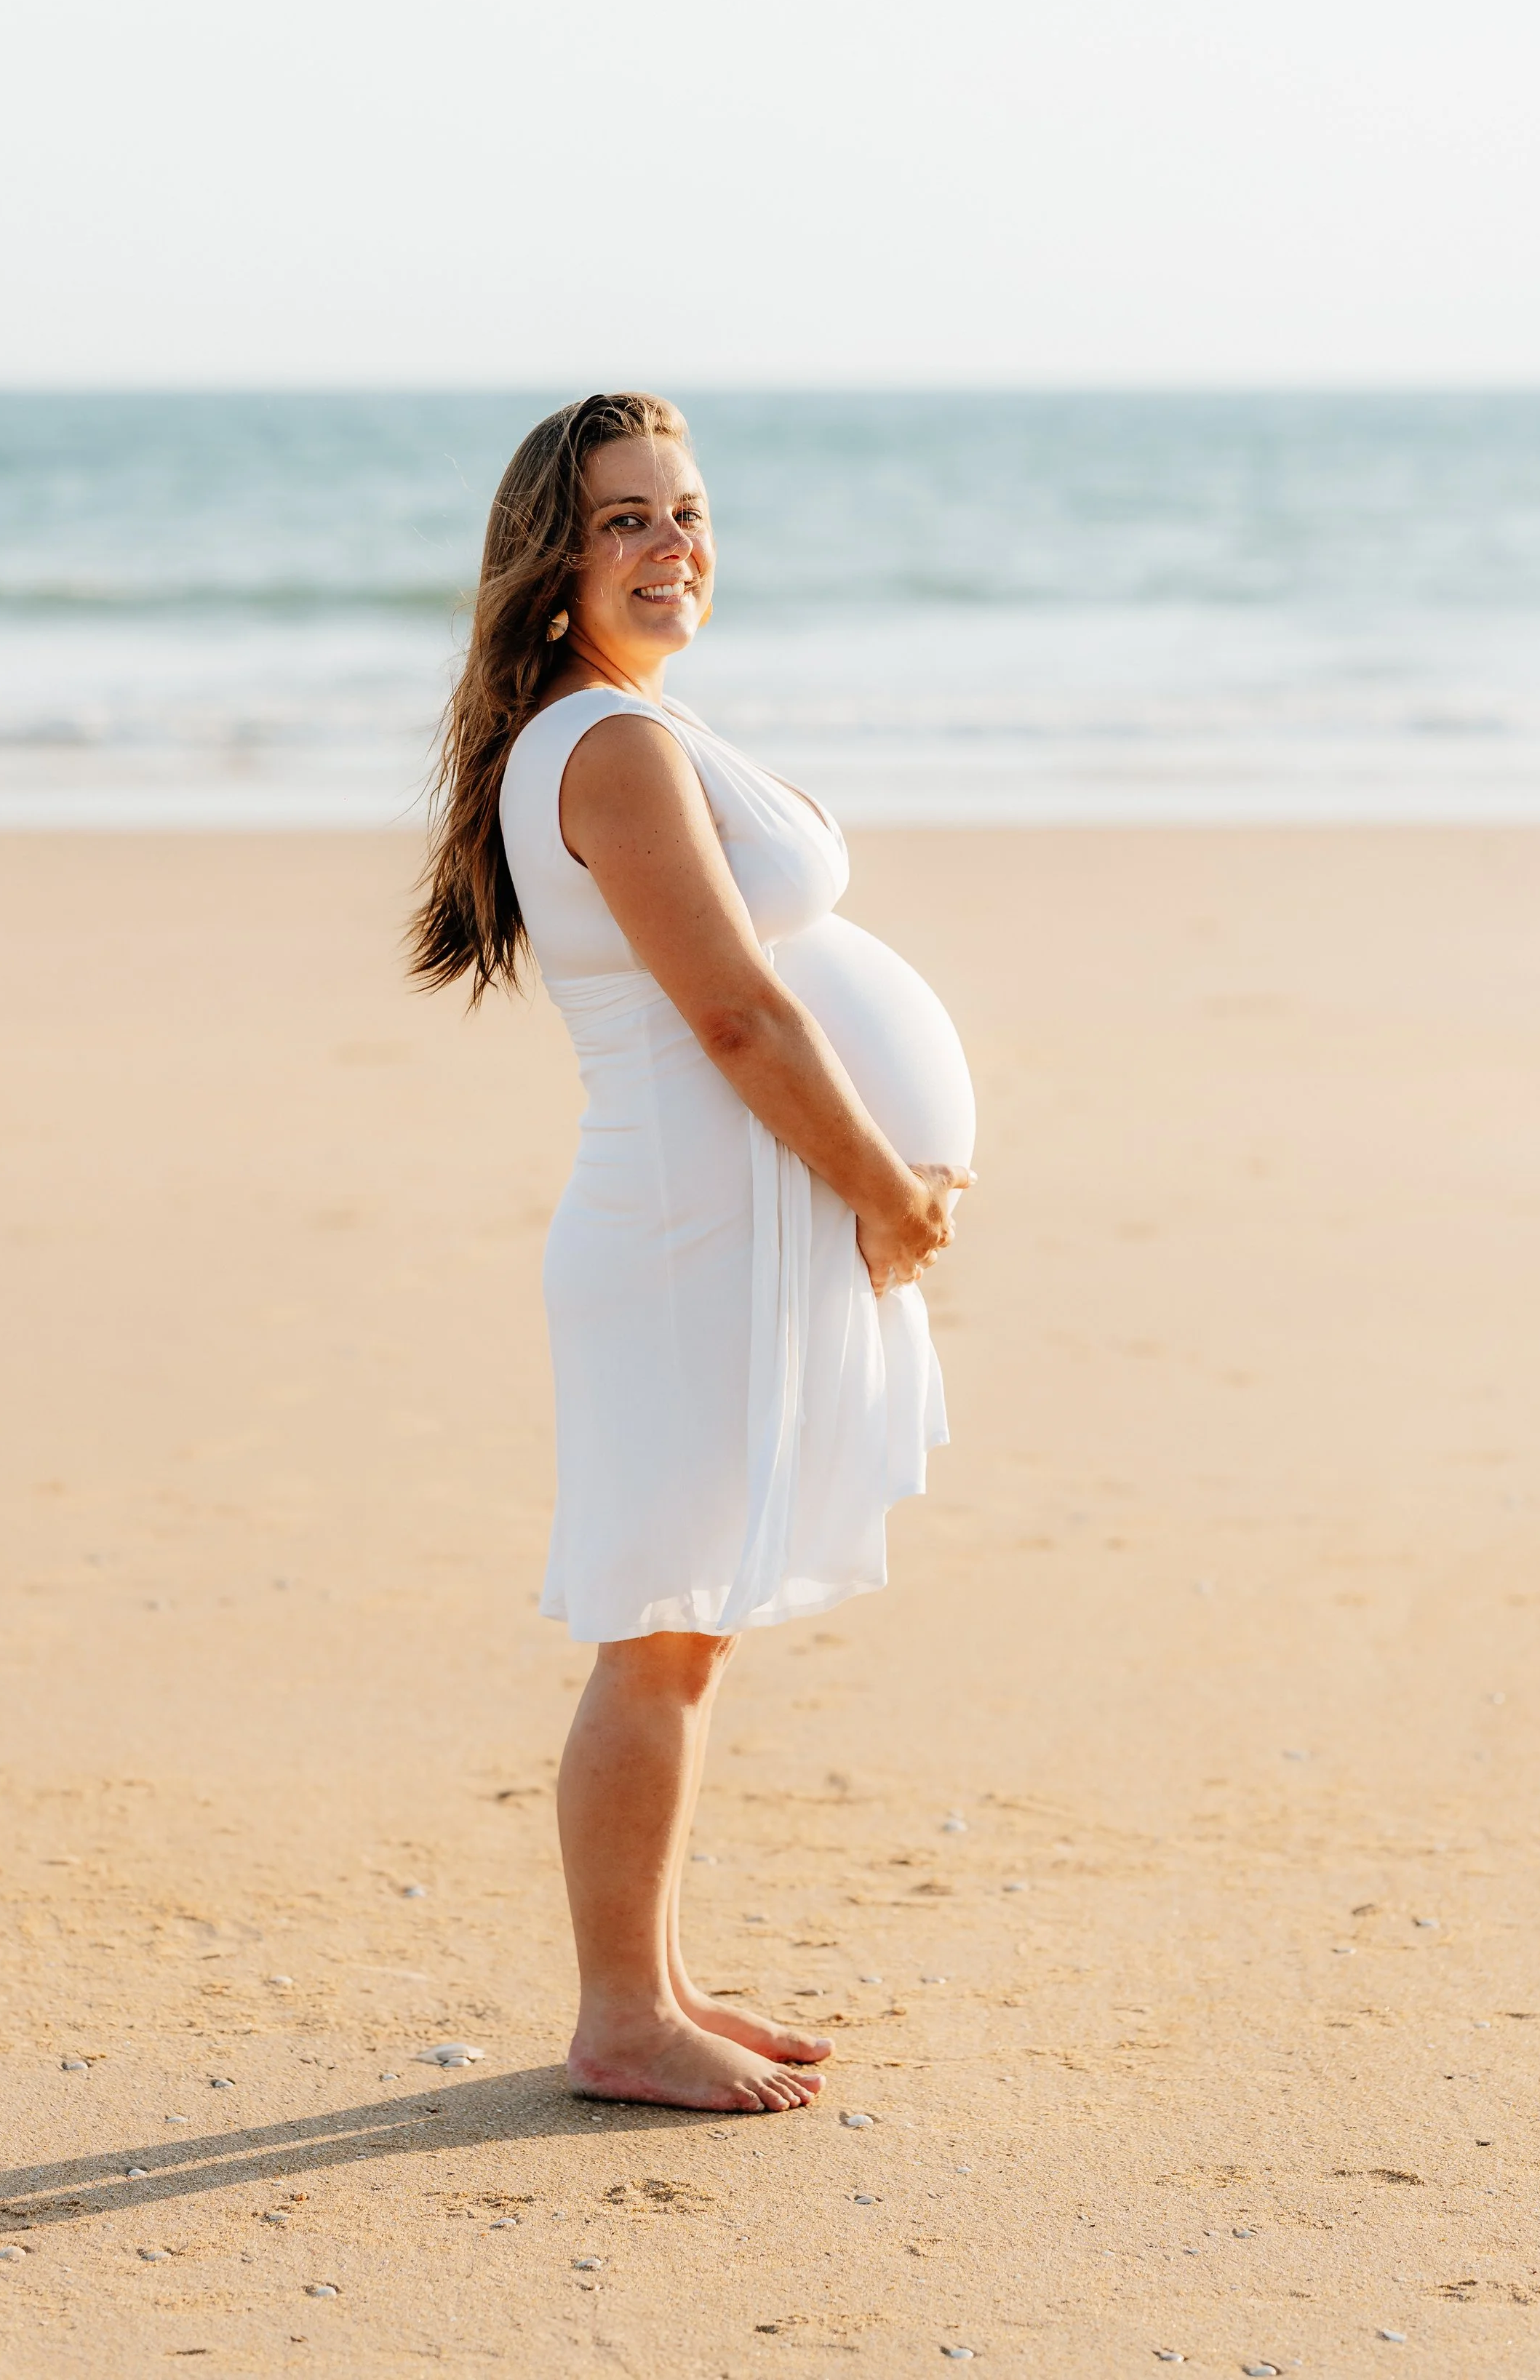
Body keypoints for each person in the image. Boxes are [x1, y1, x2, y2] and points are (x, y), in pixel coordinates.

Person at [410, 393, 975, 2114]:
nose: (670, 546)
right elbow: (732, 1014)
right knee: (656, 1623)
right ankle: (618, 2018)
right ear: (549, 560)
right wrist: (878, 1182)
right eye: (624, 521)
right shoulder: (611, 749)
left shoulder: (623, 727)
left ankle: (652, 1977)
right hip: (683, 1234)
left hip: (709, 1227)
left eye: (686, 511)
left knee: (686, 1626)